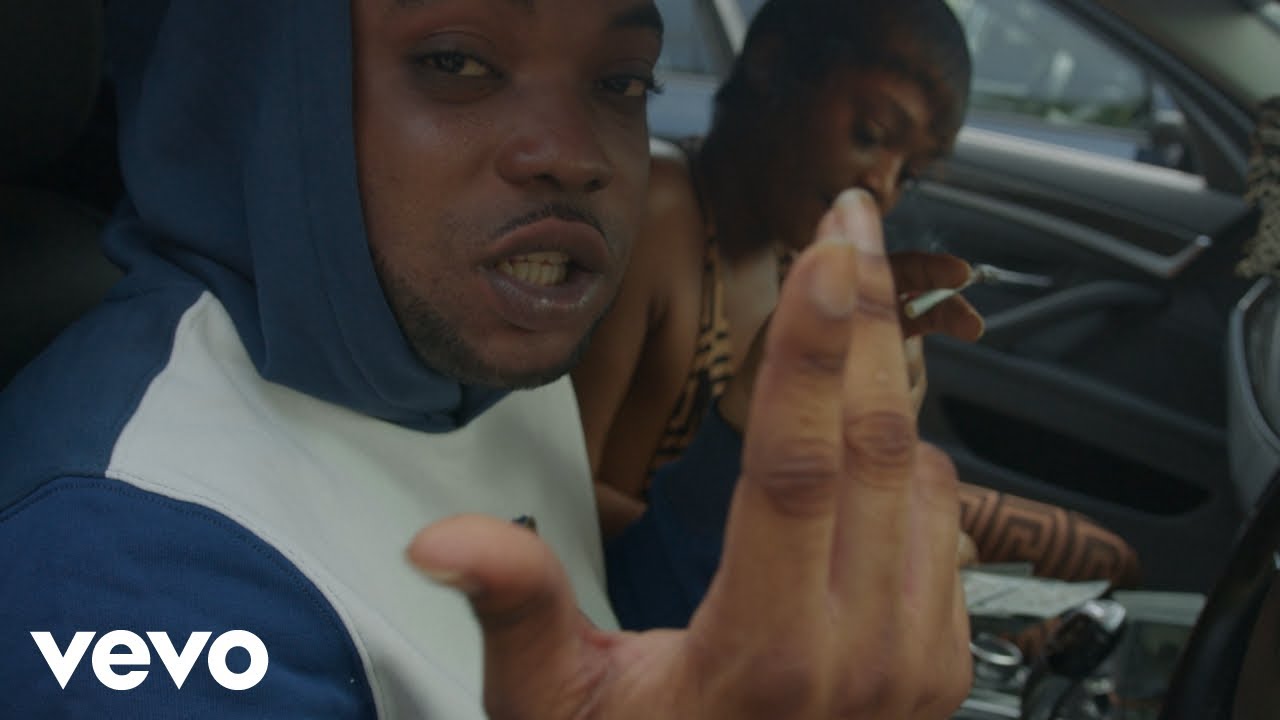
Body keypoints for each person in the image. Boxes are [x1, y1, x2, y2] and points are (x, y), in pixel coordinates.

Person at [0, 0, 972, 718]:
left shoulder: (471, 357)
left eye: (620, 82)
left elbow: (601, 627)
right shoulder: (128, 569)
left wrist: (742, 447)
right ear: (261, 88)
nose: (574, 155)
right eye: (457, 62)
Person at [577, 0, 1141, 631]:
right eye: (871, 135)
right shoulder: (661, 220)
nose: (885, 184)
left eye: (913, 175)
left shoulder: (793, 250)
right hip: (666, 567)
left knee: (1098, 557)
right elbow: (564, 497)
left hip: (755, 526)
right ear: (771, 65)